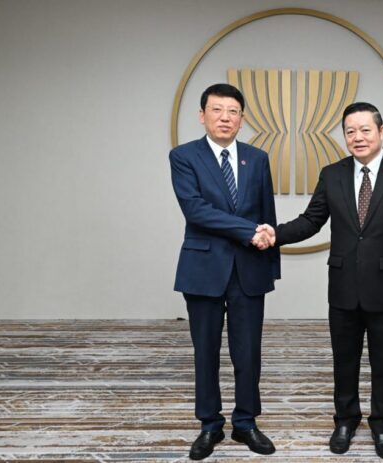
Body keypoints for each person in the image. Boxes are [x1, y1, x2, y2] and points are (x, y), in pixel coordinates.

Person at [258, 102, 383, 459]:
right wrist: (276, 234)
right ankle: (345, 422)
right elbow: (311, 220)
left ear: (382, 131)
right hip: (343, 286)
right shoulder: (332, 174)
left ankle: (382, 425)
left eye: (365, 129)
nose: (357, 137)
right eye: (350, 131)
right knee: (344, 361)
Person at [169, 83, 280, 461]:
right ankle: (209, 425)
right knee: (206, 351)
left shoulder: (257, 158)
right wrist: (249, 231)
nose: (225, 118)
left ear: (242, 119)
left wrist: (271, 263)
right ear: (202, 115)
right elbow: (196, 210)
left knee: (248, 353)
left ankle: (246, 422)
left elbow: (267, 213)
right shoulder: (184, 156)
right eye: (217, 110)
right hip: (204, 268)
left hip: (249, 269)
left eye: (233, 111)